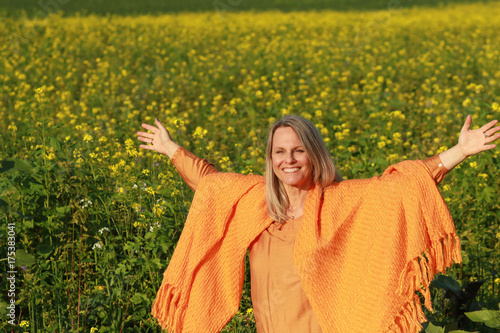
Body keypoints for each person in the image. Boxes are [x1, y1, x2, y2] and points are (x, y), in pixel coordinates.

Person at [137, 115, 500, 333]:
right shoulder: (253, 202)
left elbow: (401, 188)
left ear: (314, 154)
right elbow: (209, 182)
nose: (289, 160)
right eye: (279, 151)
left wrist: (459, 152)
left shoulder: (339, 202)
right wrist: (171, 149)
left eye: (298, 150)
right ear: (270, 158)